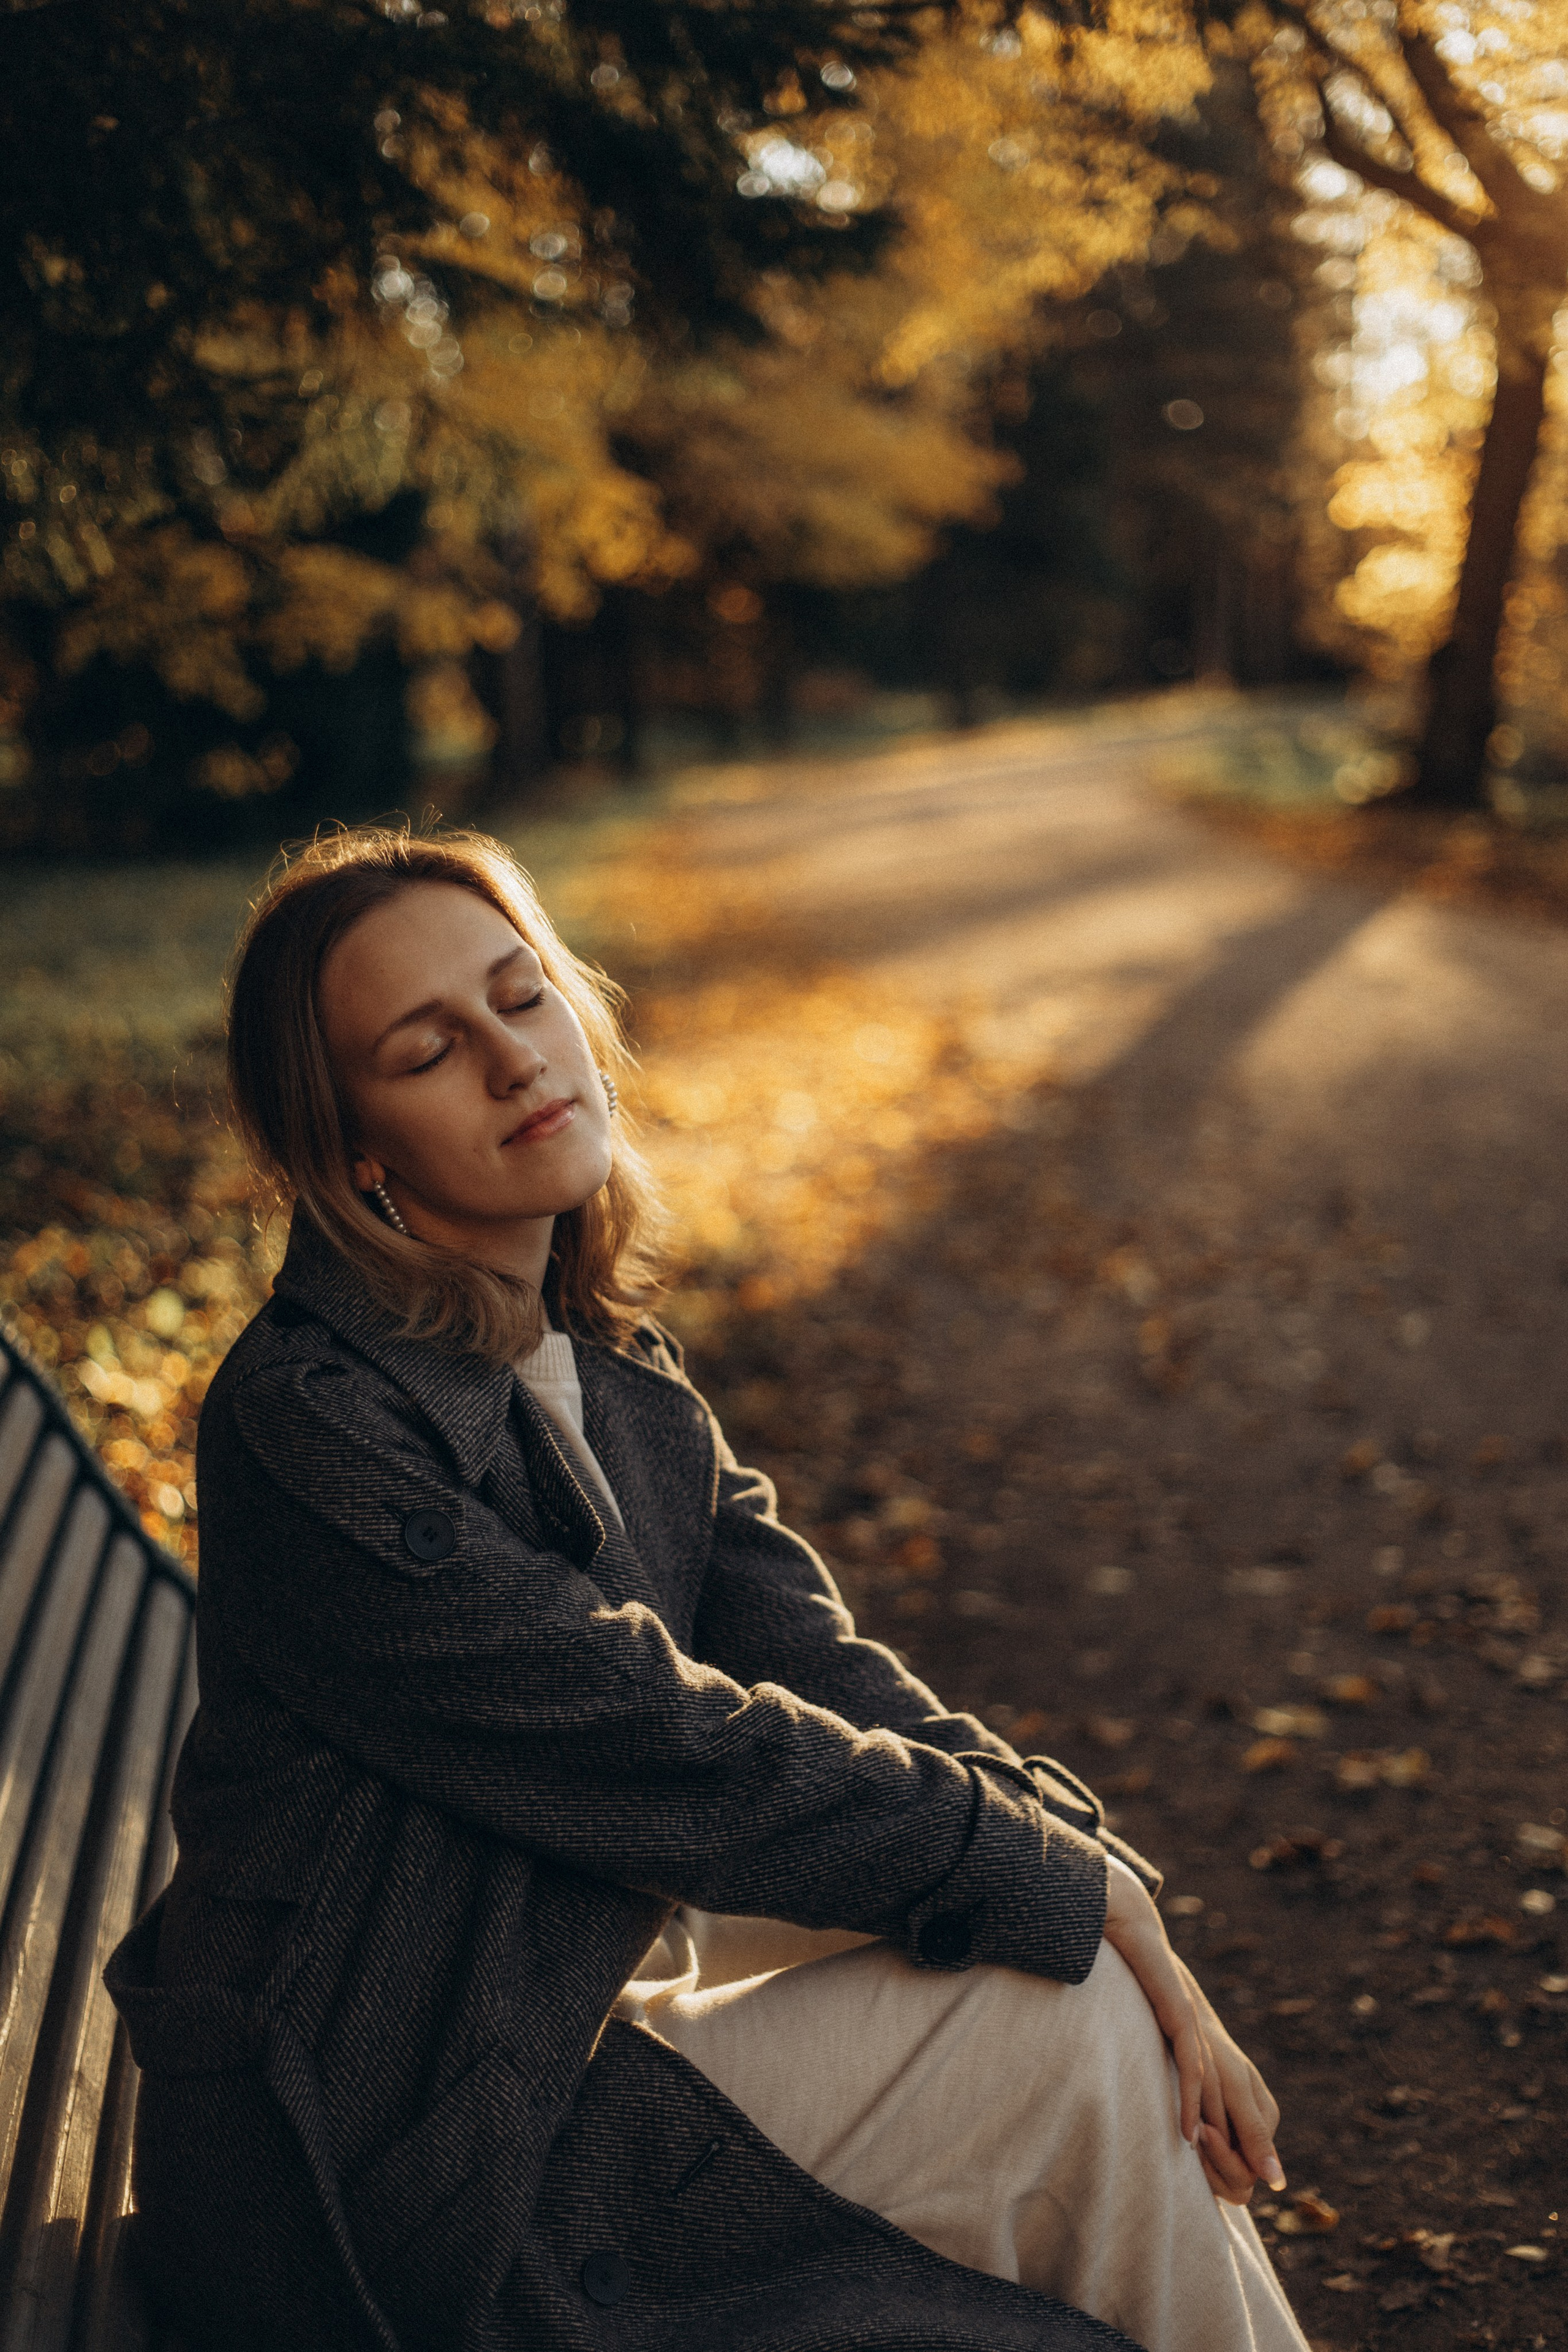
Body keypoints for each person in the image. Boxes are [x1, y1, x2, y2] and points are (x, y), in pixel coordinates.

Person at [107, 826, 1310, 2352]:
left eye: (519, 996)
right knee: (1067, 2016)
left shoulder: (598, 1354)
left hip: (547, 1982)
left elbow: (812, 1665)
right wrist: (1070, 1896)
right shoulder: (313, 1423)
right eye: (426, 1049)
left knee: (1070, 1987)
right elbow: (665, 1743)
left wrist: (1082, 1862)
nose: (507, 1060)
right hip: (394, 2131)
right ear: (354, 1150)